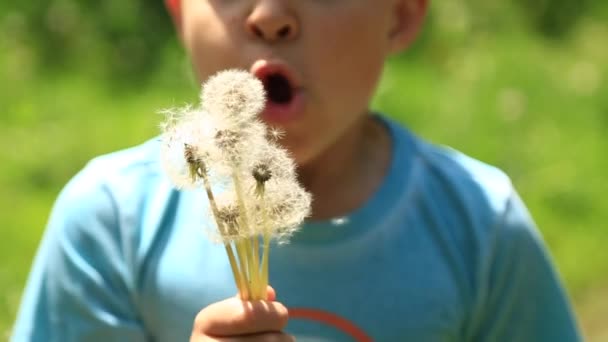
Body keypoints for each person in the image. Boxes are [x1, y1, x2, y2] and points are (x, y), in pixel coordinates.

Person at [12, 0, 582, 341]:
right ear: (180, 11)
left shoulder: (482, 228)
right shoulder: (109, 223)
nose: (271, 16)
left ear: (401, 15)